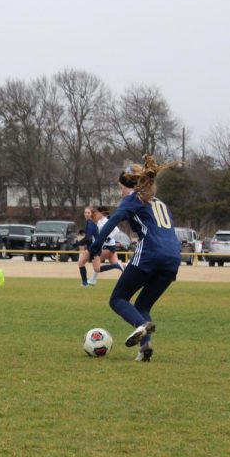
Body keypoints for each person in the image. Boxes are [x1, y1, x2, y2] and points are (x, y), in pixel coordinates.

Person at [89, 155, 182, 362]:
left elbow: (113, 220)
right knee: (142, 307)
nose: (120, 192)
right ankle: (145, 346)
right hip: (173, 258)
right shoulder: (160, 204)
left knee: (117, 299)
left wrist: (96, 246)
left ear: (129, 185)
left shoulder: (133, 200)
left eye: (120, 187)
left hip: (150, 253)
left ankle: (141, 326)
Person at [88, 205, 125, 283]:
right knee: (115, 264)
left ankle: (93, 279)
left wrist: (108, 238)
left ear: (101, 213)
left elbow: (116, 229)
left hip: (108, 247)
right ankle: (127, 268)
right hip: (109, 247)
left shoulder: (106, 221)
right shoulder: (99, 221)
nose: (96, 214)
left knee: (97, 263)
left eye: (97, 213)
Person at [76, 207, 103, 286]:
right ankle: (85, 283)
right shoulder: (89, 222)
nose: (87, 214)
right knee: (81, 263)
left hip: (94, 248)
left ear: (91, 214)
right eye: (85, 213)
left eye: (88, 213)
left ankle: (116, 265)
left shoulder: (90, 223)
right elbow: (89, 236)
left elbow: (88, 238)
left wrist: (78, 243)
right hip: (90, 248)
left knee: (97, 269)